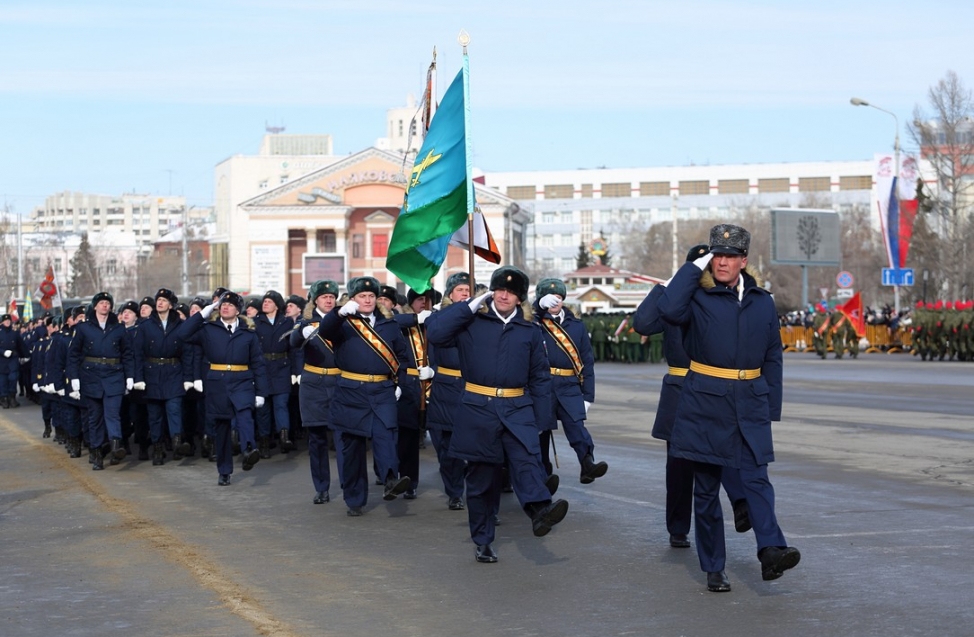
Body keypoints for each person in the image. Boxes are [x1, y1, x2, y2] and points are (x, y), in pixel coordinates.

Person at [658, 224, 800, 593]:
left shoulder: (762, 300)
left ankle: (771, 550)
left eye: (730, 256)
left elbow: (773, 354)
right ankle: (713, 567)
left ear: (744, 261)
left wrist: (771, 405)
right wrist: (691, 269)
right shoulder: (695, 296)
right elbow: (668, 310)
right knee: (705, 491)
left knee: (756, 479)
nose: (722, 262)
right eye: (716, 255)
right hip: (704, 400)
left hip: (749, 400)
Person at [425, 266, 570, 563]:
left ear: (520, 298)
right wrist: (468, 306)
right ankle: (483, 540)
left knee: (527, 461)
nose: (504, 295)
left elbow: (540, 376)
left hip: (517, 408)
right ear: (490, 292)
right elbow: (436, 332)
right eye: (499, 290)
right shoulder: (470, 322)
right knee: (482, 480)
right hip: (478, 409)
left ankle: (540, 510)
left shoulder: (529, 330)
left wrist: (543, 421)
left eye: (512, 292)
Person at [633, 244, 751, 551]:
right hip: (680, 389)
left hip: (715, 387)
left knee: (723, 453)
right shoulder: (675, 303)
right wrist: (666, 287)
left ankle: (741, 505)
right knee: (680, 467)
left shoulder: (719, 300)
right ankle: (678, 527)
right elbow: (643, 324)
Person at [317, 276, 411, 516]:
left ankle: (390, 479)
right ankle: (355, 499)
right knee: (352, 449)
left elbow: (402, 356)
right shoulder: (343, 322)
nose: (368, 300)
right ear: (352, 299)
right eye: (362, 296)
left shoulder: (388, 324)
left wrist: (399, 381)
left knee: (387, 436)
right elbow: (325, 330)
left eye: (371, 296)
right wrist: (338, 314)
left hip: (382, 390)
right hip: (351, 391)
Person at [175, 291, 268, 485]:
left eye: (231, 305)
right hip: (217, 382)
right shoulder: (208, 329)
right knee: (222, 428)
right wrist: (203, 314)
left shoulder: (248, 334)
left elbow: (258, 364)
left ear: (238, 311)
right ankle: (224, 470)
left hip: (242, 379)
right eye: (222, 305)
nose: (225, 307)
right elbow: (182, 334)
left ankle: (249, 449)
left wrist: (260, 392)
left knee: (245, 415)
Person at [533, 278, 606, 486]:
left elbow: (587, 361)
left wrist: (588, 395)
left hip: (569, 384)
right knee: (541, 433)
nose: (555, 301)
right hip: (543, 385)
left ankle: (587, 464)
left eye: (559, 297)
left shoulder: (576, 325)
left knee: (577, 427)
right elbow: (523, 315)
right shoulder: (534, 321)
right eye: (550, 297)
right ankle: (543, 475)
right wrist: (538, 307)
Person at [66, 292, 136, 470]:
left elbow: (128, 354)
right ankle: (96, 452)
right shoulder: (83, 328)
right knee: (95, 417)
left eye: (107, 303)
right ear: (95, 306)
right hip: (91, 375)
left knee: (112, 414)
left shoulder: (119, 328)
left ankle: (115, 445)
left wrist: (129, 376)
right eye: (101, 303)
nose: (105, 306)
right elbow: (73, 354)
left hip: (114, 374)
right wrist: (74, 378)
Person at [290, 280, 342, 504]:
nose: (329, 300)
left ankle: (348, 484)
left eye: (332, 296)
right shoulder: (306, 322)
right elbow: (293, 341)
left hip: (340, 380)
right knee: (317, 439)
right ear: (315, 300)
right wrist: (302, 331)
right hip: (314, 383)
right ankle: (321, 487)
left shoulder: (344, 320)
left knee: (343, 438)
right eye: (324, 297)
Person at [132, 288, 194, 465]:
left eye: (164, 300)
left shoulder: (180, 325)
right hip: (151, 373)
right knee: (155, 415)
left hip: (173, 371)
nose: (160, 303)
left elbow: (187, 353)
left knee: (174, 410)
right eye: (158, 300)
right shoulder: (145, 325)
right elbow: (138, 353)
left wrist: (188, 377)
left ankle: (176, 442)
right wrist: (138, 378)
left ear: (171, 305)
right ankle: (157, 448)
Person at [426, 272, 472, 510]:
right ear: (450, 294)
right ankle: (454, 491)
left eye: (468, 289)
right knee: (446, 446)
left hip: (473, 388)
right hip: (445, 387)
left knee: (477, 445)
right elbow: (432, 349)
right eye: (460, 290)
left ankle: (480, 494)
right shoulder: (440, 318)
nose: (465, 293)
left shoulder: (481, 318)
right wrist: (432, 371)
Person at [253, 289, 296, 458]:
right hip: (262, 368)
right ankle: (264, 441)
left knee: (281, 403)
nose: (265, 303)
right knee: (263, 408)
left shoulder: (287, 323)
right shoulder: (255, 322)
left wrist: (294, 371)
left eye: (269, 301)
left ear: (277, 306)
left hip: (281, 367)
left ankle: (284, 436)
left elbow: (293, 348)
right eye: (264, 301)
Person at [0, 312, 30, 408]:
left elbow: (21, 345)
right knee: (3, 380)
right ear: (2, 322)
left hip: (13, 359)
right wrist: (3, 352)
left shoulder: (15, 333)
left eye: (8, 320)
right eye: (5, 320)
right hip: (2, 360)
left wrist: (26, 356)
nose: (7, 322)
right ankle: (4, 398)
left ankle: (12, 397)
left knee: (13, 378)